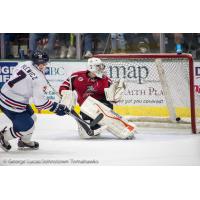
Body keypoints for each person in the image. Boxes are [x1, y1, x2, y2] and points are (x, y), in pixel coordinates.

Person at [0, 50, 69, 152]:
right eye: (39, 63)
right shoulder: (39, 79)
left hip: (7, 95)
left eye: (43, 63)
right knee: (28, 127)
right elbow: (40, 104)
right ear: (35, 62)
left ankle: (24, 141)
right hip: (13, 104)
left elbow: (20, 77)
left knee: (33, 117)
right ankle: (3, 137)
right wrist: (56, 107)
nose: (42, 66)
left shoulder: (25, 64)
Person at [59, 57, 113, 138]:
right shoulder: (76, 76)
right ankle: (89, 126)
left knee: (105, 109)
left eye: (101, 66)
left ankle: (119, 126)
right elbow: (64, 87)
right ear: (91, 67)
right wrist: (65, 93)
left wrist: (114, 97)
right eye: (98, 66)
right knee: (92, 130)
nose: (101, 68)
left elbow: (112, 95)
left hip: (102, 105)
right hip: (86, 108)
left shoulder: (105, 79)